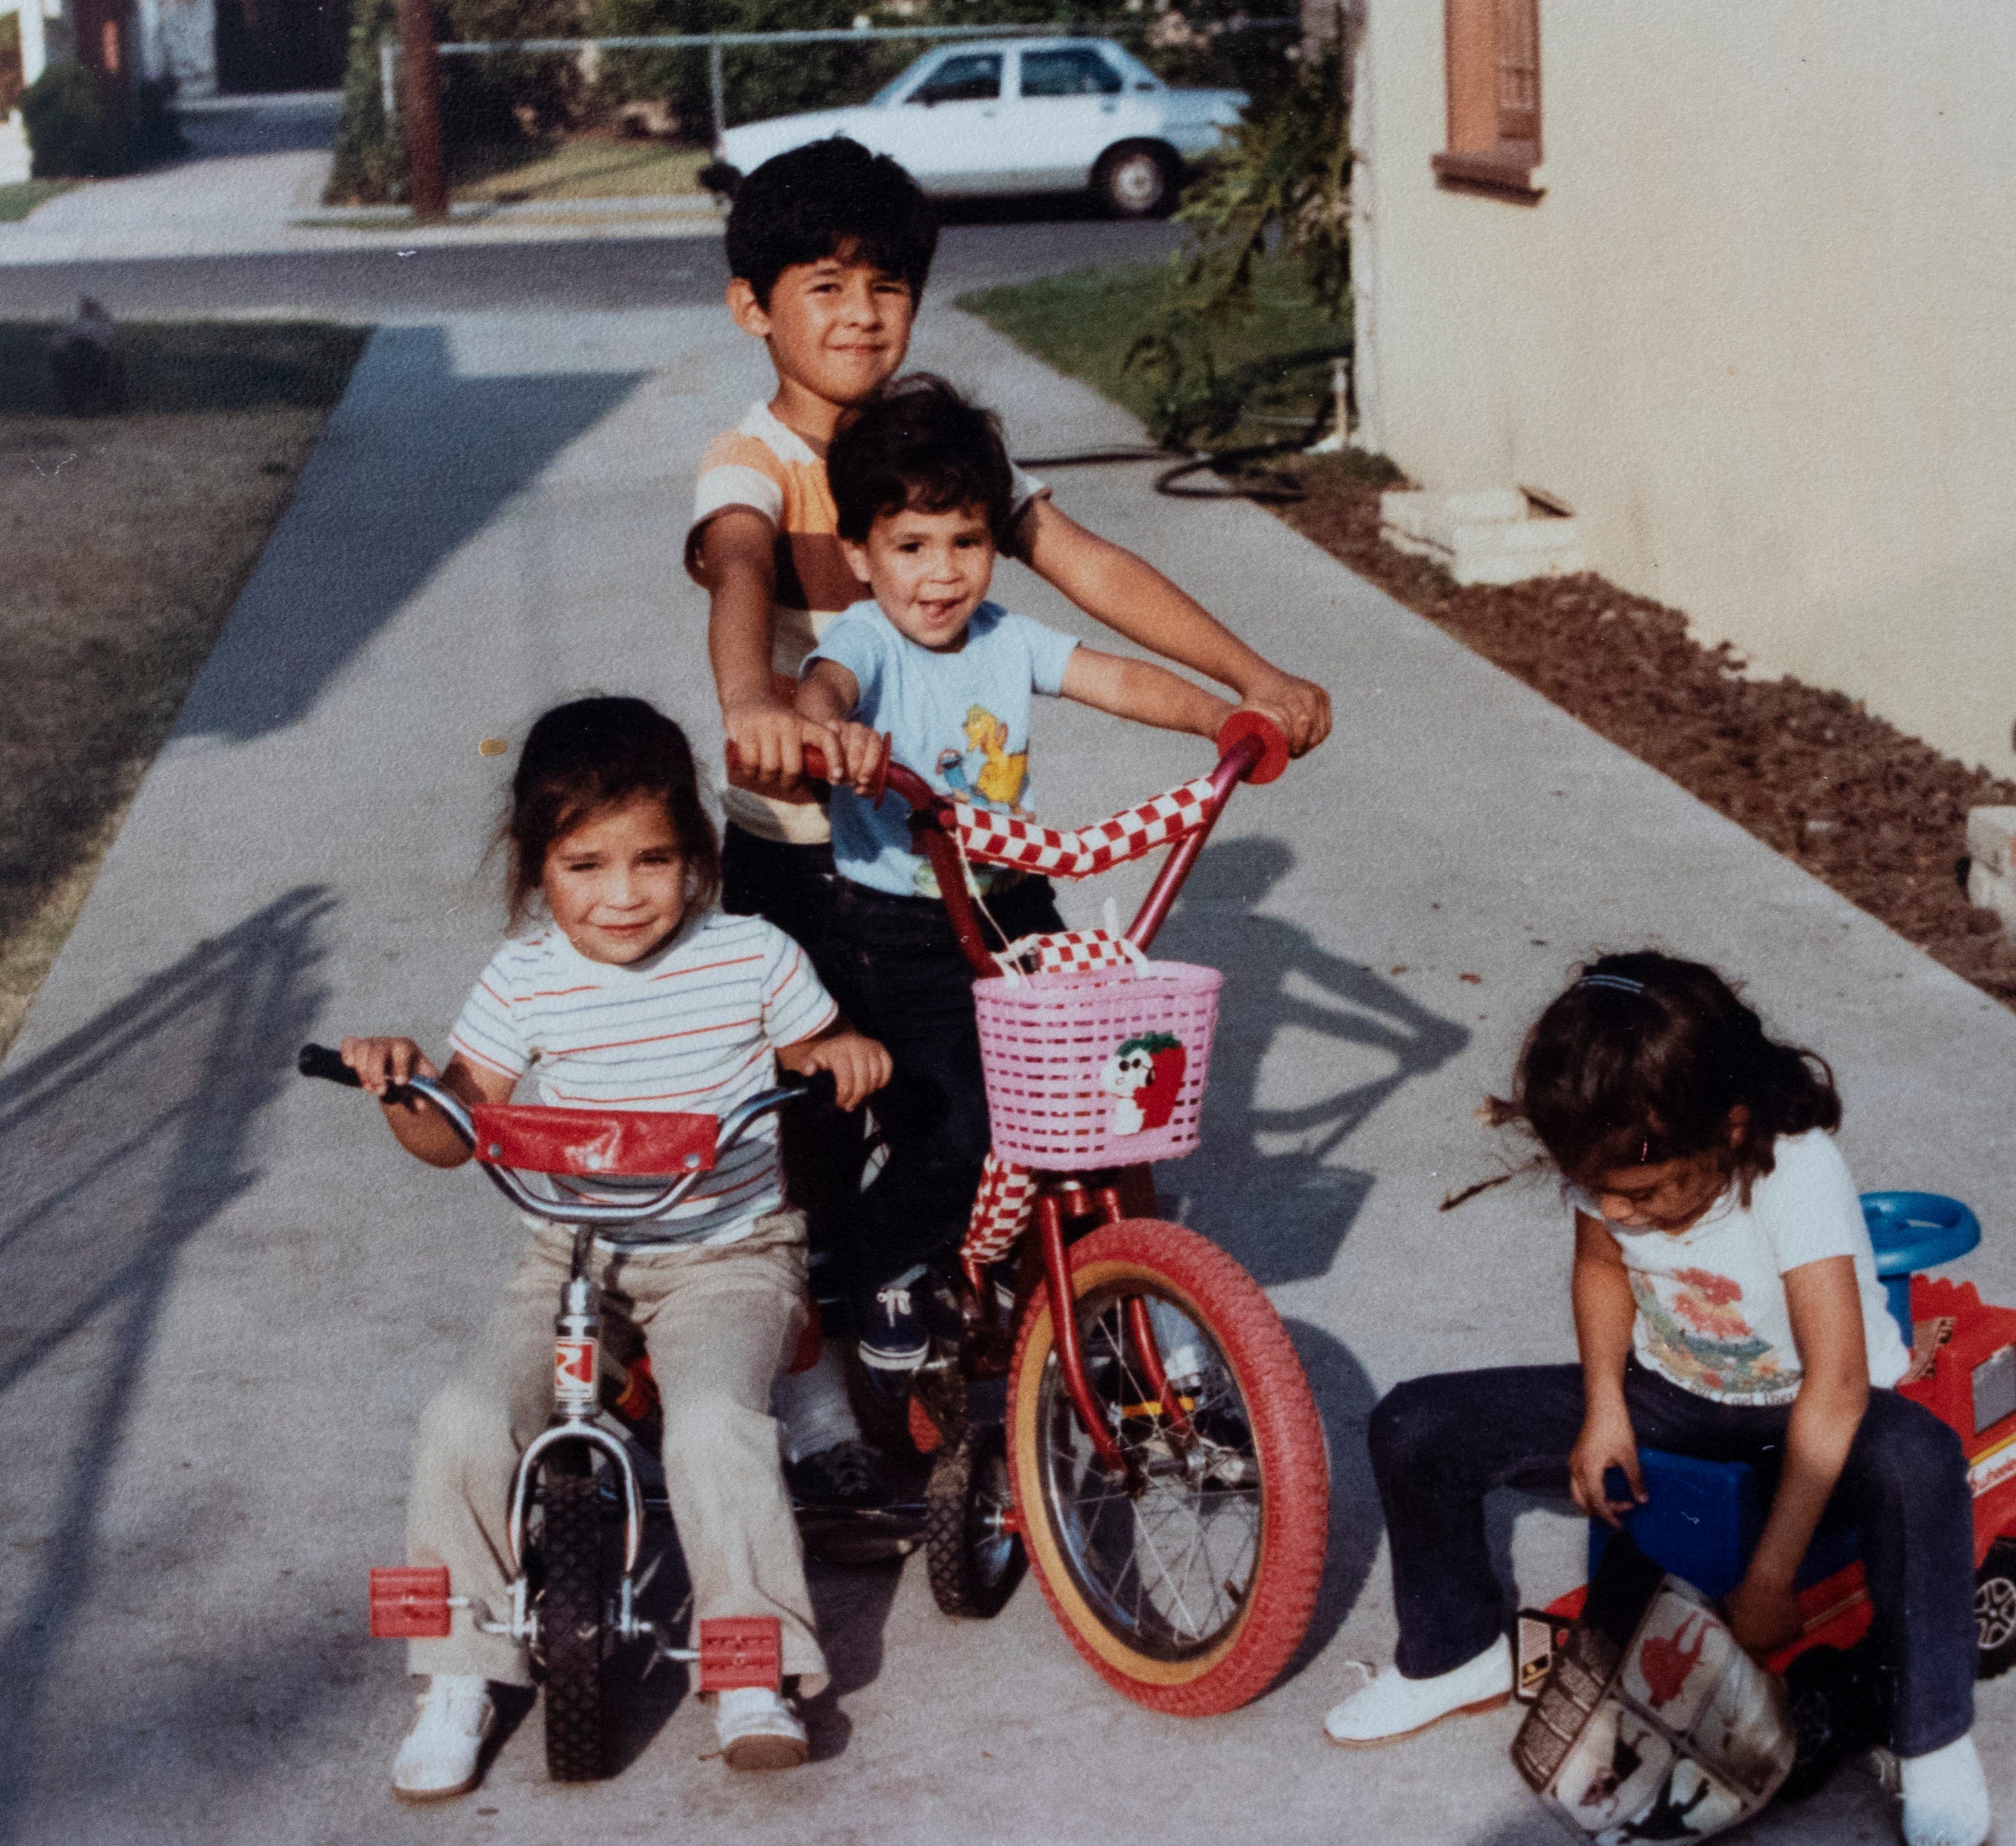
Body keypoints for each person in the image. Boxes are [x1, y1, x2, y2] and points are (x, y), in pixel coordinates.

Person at [683, 136, 1333, 1419]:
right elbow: (743, 564)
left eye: (888, 288)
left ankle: (1108, 1305)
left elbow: (1086, 568)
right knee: (823, 1107)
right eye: (825, 285)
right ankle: (822, 1347)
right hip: (813, 851)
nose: (861, 315)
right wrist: (754, 703)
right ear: (754, 307)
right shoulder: (749, 459)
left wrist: (1254, 680)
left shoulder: (941, 452)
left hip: (973, 857)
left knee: (1079, 1075)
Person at [334, 697, 891, 1799]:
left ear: (698, 857)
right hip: (571, 1257)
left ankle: (750, 1667)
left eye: (654, 860)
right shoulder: (524, 976)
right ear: (536, 865)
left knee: (719, 1425)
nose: (624, 894)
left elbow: (817, 1045)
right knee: (463, 1419)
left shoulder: (752, 956)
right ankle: (453, 1669)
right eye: (586, 865)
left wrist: (846, 1054)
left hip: (725, 1253)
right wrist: (403, 1089)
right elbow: (456, 1127)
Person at [1326, 952, 1991, 1846]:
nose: (1617, 1210)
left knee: (1923, 1462)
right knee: (1414, 1428)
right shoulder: (1611, 1148)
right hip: (1672, 1390)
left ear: (1730, 1126)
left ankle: (1934, 1739)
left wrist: (1771, 1577)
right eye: (1598, 1190)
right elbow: (1601, 1267)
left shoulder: (1794, 1172)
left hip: (1810, 1405)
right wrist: (1605, 1407)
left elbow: (1835, 1387)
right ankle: (1454, 1652)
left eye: (1642, 1195)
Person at [794, 374, 1236, 1375]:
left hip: (1012, 906)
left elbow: (1114, 675)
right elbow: (823, 686)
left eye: (967, 542)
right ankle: (883, 1256)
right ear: (861, 554)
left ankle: (1104, 1303)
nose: (942, 575)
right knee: (960, 1133)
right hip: (899, 931)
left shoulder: (1006, 639)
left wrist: (1218, 714)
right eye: (911, 547)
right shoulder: (865, 641)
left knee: (1088, 1107)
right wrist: (826, 732)